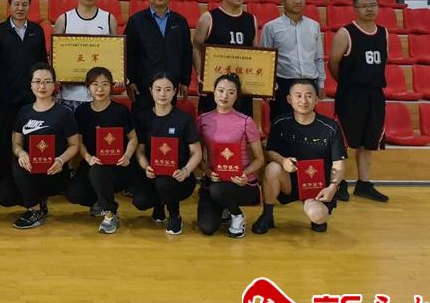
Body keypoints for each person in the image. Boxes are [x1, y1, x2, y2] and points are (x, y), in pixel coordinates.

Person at [252, 79, 347, 234]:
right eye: (298, 96)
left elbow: (339, 163)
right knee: (272, 168)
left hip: (317, 186)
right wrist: (283, 161)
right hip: (290, 181)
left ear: (316, 99)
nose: (303, 100)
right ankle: (267, 216)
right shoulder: (280, 123)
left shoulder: (330, 127)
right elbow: (269, 152)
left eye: (309, 96)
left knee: (318, 216)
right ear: (289, 99)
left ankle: (317, 213)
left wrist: (333, 186)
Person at [0, 63, 80, 229]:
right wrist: (22, 153)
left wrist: (61, 160)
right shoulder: (24, 112)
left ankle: (34, 211)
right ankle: (37, 203)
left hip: (53, 171)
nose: (42, 86)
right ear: (31, 84)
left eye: (47, 82)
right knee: (4, 195)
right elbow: (16, 143)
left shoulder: (64, 113)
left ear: (54, 85)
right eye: (38, 81)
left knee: (22, 174)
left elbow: (74, 145)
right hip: (29, 170)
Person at [328, 0, 389, 203]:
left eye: (373, 5)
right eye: (364, 6)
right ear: (355, 9)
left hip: (375, 94)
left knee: (368, 141)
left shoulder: (384, 32)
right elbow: (333, 63)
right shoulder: (346, 33)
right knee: (344, 141)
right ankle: (339, 183)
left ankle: (364, 184)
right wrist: (347, 83)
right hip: (351, 94)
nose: (369, 9)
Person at [65, 67, 138, 235]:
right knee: (74, 194)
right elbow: (78, 141)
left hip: (118, 166)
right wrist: (88, 157)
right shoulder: (82, 111)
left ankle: (110, 213)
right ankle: (101, 200)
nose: (100, 89)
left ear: (111, 86)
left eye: (105, 84)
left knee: (98, 171)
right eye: (95, 84)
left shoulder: (120, 110)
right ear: (88, 87)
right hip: (93, 163)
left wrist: (127, 155)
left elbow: (133, 138)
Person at [0, 0, 47, 185]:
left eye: (24, 4)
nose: (20, 8)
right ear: (9, 6)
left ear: (30, 7)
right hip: (6, 95)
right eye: (17, 4)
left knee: (31, 137)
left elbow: (42, 63)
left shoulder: (37, 31)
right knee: (6, 137)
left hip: (32, 96)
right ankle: (4, 180)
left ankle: (32, 179)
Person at [131, 73, 202, 235]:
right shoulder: (143, 118)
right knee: (140, 201)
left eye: (168, 89)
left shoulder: (184, 119)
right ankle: (158, 205)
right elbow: (140, 151)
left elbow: (196, 152)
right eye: (158, 89)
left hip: (179, 177)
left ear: (175, 91)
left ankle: (175, 215)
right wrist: (146, 166)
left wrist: (185, 171)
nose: (162, 94)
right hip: (152, 173)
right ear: (151, 91)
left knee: (164, 183)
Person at [196, 73, 266, 238]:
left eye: (231, 92)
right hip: (215, 179)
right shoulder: (203, 120)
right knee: (206, 227)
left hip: (241, 182)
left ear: (237, 96)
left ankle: (237, 215)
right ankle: (224, 208)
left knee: (218, 191)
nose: (224, 96)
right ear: (214, 92)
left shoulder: (246, 121)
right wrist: (207, 172)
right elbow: (197, 155)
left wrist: (244, 174)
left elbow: (260, 159)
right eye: (220, 91)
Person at [124, 0, 193, 114]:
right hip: (142, 86)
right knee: (141, 122)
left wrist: (185, 81)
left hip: (170, 86)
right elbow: (128, 53)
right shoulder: (136, 21)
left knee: (167, 121)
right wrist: (130, 81)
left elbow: (187, 53)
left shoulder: (180, 21)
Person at [194, 0, 257, 116]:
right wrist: (199, 73)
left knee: (242, 124)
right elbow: (197, 47)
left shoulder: (251, 19)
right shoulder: (208, 17)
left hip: (242, 87)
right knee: (211, 125)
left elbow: (255, 53)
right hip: (215, 85)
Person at [260, 0, 325, 122]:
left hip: (309, 82)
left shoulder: (314, 26)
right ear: (282, 0)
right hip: (283, 84)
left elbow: (318, 58)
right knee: (281, 123)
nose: (297, 1)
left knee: (307, 124)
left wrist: (320, 84)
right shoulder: (271, 27)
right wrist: (267, 86)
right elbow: (265, 60)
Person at [52, 0, 117, 110]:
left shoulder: (108, 19)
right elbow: (56, 55)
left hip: (99, 96)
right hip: (69, 95)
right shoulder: (64, 19)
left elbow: (115, 54)